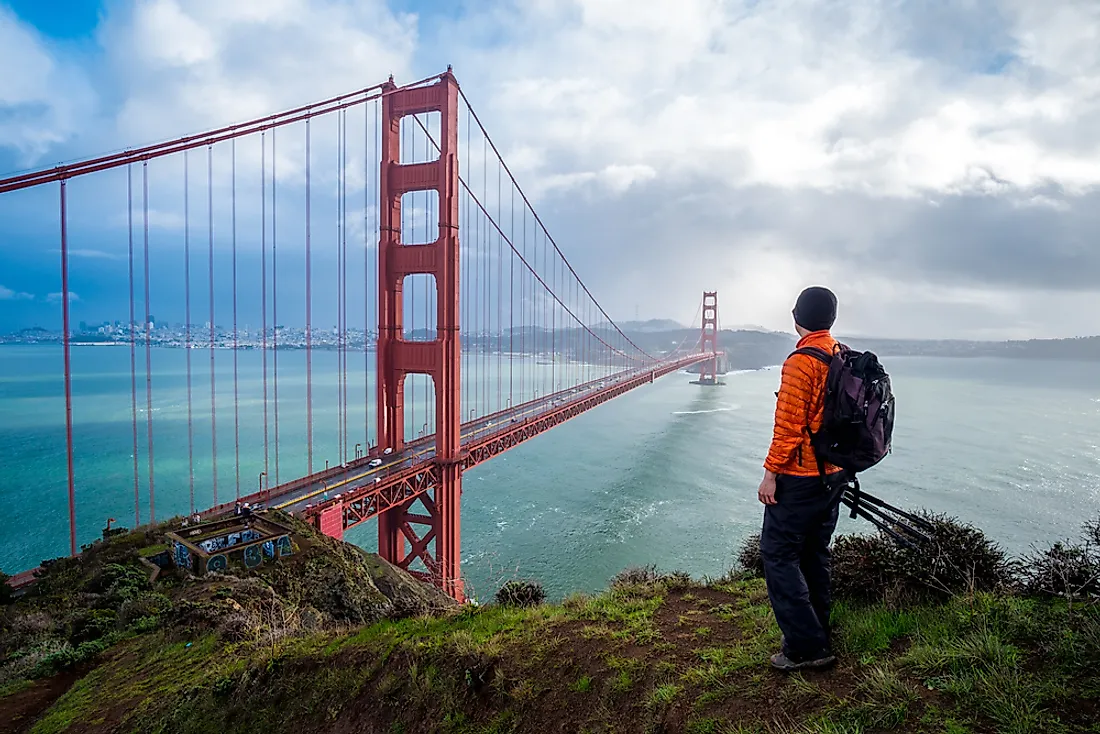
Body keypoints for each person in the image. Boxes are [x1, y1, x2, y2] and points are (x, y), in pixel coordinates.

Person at [758, 285, 848, 672]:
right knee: (815, 552)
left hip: (800, 476)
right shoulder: (839, 353)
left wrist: (770, 476)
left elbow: (789, 427)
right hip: (834, 474)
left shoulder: (801, 361)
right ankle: (818, 630)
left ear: (796, 318)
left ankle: (806, 647)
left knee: (777, 555)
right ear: (831, 319)